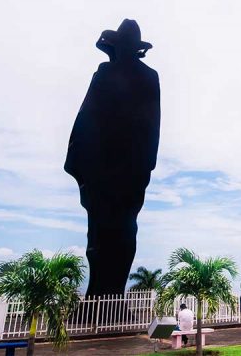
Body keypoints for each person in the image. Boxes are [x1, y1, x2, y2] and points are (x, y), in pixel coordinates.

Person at [64, 19, 160, 296]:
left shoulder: (107, 73)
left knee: (104, 234)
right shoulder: (147, 76)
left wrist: (78, 162)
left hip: (106, 169)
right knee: (121, 232)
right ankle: (107, 296)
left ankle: (105, 297)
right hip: (130, 169)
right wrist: (146, 166)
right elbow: (153, 127)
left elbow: (85, 118)